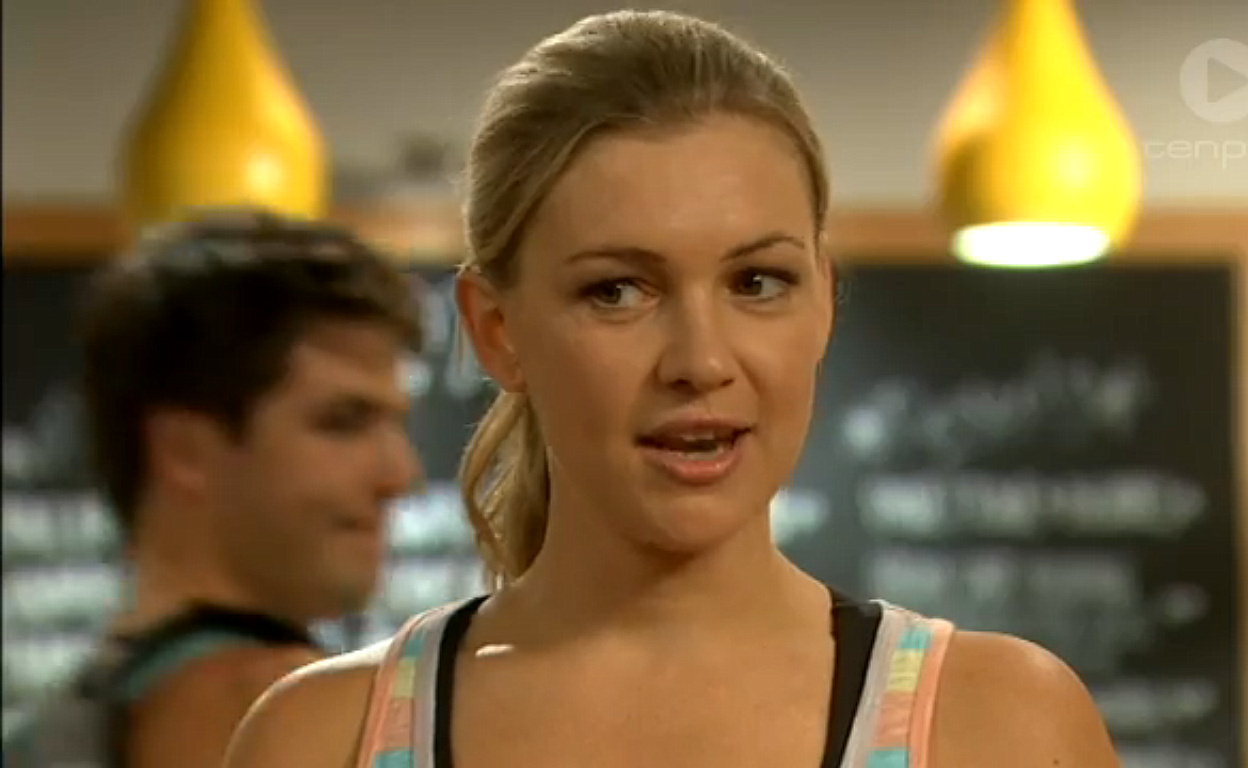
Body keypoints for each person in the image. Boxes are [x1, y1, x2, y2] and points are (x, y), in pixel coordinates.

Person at [224, 10, 1120, 768]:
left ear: (824, 301)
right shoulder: (319, 740)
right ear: (496, 330)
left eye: (756, 282)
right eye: (617, 291)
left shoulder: (1001, 726)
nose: (701, 359)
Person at [3, 208, 424, 768]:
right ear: (185, 451)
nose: (398, 474)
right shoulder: (263, 705)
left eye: (395, 423)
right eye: (343, 423)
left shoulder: (78, 715)